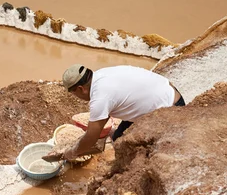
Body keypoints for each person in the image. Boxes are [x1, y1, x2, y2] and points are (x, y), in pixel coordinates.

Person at [50, 64, 185, 161]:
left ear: (80, 89)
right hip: (170, 93)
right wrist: (98, 138)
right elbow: (109, 107)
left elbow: (91, 137)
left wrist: (72, 152)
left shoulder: (100, 98)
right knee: (117, 137)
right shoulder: (101, 75)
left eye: (74, 94)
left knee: (135, 152)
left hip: (169, 111)